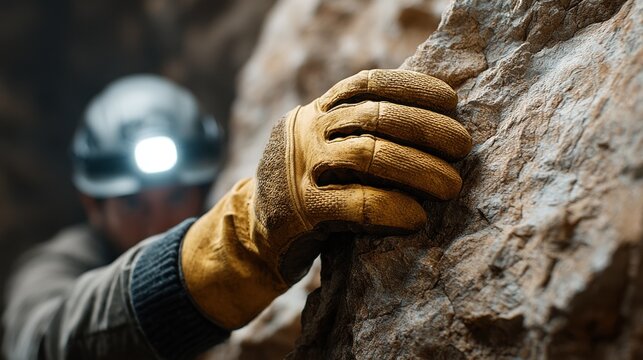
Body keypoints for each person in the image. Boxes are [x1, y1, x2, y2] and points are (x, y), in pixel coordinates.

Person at [2, 69, 472, 359]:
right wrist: (242, 238)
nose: (158, 219)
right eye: (133, 204)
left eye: (176, 196)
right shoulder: (51, 266)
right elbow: (46, 342)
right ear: (91, 205)